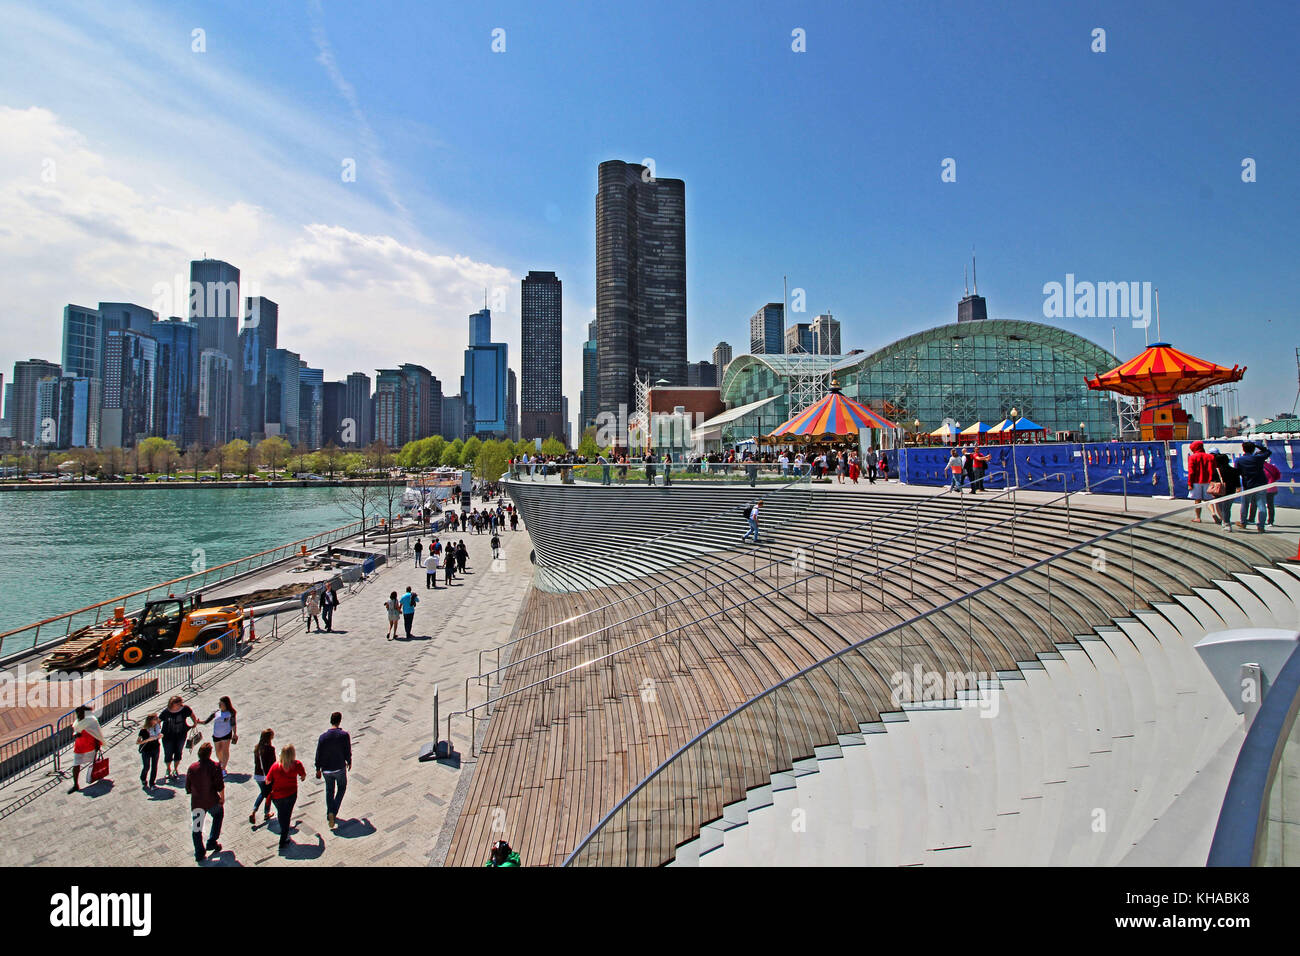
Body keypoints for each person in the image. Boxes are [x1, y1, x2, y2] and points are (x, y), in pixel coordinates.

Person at [185, 741, 224, 862]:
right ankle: (212, 841)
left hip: (197, 802)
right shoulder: (215, 766)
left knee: (197, 828)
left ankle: (199, 853)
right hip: (212, 800)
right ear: (209, 754)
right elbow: (219, 785)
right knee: (218, 814)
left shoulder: (192, 768)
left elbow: (188, 787)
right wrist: (222, 797)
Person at [265, 744, 307, 850]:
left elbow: (267, 781)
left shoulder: (275, 766)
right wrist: (301, 778)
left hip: (277, 796)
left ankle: (284, 833)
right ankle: (284, 837)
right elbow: (303, 775)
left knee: (281, 813)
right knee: (287, 815)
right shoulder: (297, 764)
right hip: (291, 794)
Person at [315, 712, 352, 830]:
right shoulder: (344, 735)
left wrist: (317, 768)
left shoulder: (323, 737)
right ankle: (333, 811)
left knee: (329, 790)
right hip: (339, 767)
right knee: (342, 788)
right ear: (339, 721)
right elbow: (347, 750)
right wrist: (349, 761)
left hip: (326, 770)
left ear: (330, 721)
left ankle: (329, 813)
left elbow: (318, 753)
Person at [66, 704, 106, 794]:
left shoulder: (92, 720)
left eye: (79, 713)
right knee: (76, 765)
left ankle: (96, 775)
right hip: (80, 746)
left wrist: (97, 745)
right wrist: (76, 733)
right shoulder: (79, 721)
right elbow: (77, 730)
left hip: (90, 745)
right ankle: (76, 784)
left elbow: (96, 733)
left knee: (94, 762)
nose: (77, 716)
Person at [1233, 441, 1272, 532]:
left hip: (1247, 484)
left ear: (1243, 449)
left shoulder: (1239, 460)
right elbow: (1268, 452)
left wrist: (1238, 486)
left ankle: (1243, 522)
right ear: (1253, 449)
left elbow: (1236, 474)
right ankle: (1261, 526)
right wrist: (1259, 446)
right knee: (1261, 505)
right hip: (1260, 484)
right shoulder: (1258, 458)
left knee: (1245, 505)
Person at [159, 695, 197, 780]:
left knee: (178, 752)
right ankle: (168, 769)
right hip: (168, 737)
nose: (181, 705)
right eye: (179, 703)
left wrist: (194, 723)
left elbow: (191, 714)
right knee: (168, 753)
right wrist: (158, 732)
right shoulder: (166, 712)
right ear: (173, 704)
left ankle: (176, 769)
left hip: (181, 735)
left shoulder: (184, 709)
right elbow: (159, 720)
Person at [198, 696, 237, 776]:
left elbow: (233, 723)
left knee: (225, 750)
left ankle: (223, 768)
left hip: (226, 734)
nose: (219, 705)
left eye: (221, 703)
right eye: (219, 703)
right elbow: (206, 721)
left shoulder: (231, 713)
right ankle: (221, 762)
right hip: (216, 734)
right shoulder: (216, 713)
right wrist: (198, 722)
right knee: (218, 751)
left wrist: (235, 733)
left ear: (226, 704)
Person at [250, 728, 276, 826]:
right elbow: (272, 764)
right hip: (267, 776)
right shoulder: (270, 749)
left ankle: (256, 811)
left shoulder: (257, 748)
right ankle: (265, 813)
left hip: (258, 775)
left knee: (264, 793)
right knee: (268, 794)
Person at [1186, 440, 1216, 522]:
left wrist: (1189, 483)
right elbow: (1214, 469)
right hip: (1208, 481)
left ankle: (1198, 517)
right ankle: (1213, 513)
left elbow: (1191, 472)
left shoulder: (1192, 457)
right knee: (1209, 500)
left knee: (1197, 500)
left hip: (1196, 481)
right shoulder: (1211, 457)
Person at [1209, 451, 1238, 530]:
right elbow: (1237, 482)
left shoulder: (1216, 471)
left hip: (1220, 492)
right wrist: (1238, 489)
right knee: (1227, 508)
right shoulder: (1234, 470)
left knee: (1222, 508)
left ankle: (1226, 523)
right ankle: (1225, 522)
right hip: (1231, 491)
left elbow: (1213, 481)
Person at [137, 713, 161, 791]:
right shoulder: (143, 730)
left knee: (154, 766)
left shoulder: (157, 727)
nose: (157, 720)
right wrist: (148, 740)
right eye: (155, 719)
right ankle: (143, 778)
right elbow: (138, 742)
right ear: (150, 720)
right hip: (146, 750)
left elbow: (158, 735)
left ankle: (152, 783)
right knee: (146, 767)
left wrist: (160, 736)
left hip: (156, 748)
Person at [1260, 459, 1281, 527]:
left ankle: (1261, 522)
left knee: (1261, 505)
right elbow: (1278, 476)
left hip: (1262, 488)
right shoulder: (1271, 466)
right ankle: (1271, 521)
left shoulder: (1258, 467)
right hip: (1272, 488)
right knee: (1270, 505)